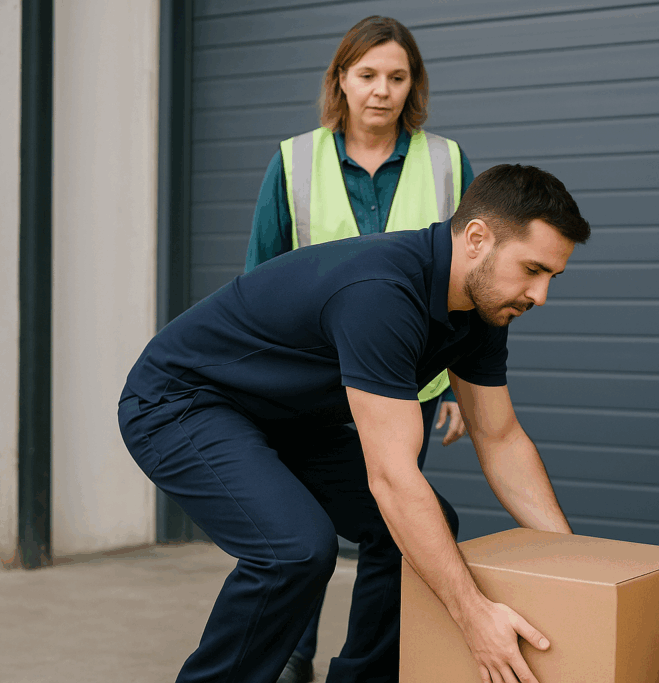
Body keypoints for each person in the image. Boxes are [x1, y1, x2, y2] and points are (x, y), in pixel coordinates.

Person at [117, 163, 590, 683]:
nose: (540, 296)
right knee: (294, 552)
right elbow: (391, 475)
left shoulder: (484, 309)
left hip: (284, 418)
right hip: (181, 402)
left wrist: (575, 571)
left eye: (551, 276)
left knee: (425, 529)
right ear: (477, 238)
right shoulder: (382, 291)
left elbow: (499, 439)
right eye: (532, 270)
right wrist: (474, 616)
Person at [244, 16, 474, 681]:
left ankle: (366, 666)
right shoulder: (292, 160)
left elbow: (471, 282)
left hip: (409, 383)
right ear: (341, 79)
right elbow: (259, 280)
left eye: (396, 77)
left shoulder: (447, 161)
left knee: (396, 522)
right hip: (308, 386)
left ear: (414, 85)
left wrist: (458, 383)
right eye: (367, 75)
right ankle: (292, 653)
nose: (381, 91)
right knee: (301, 524)